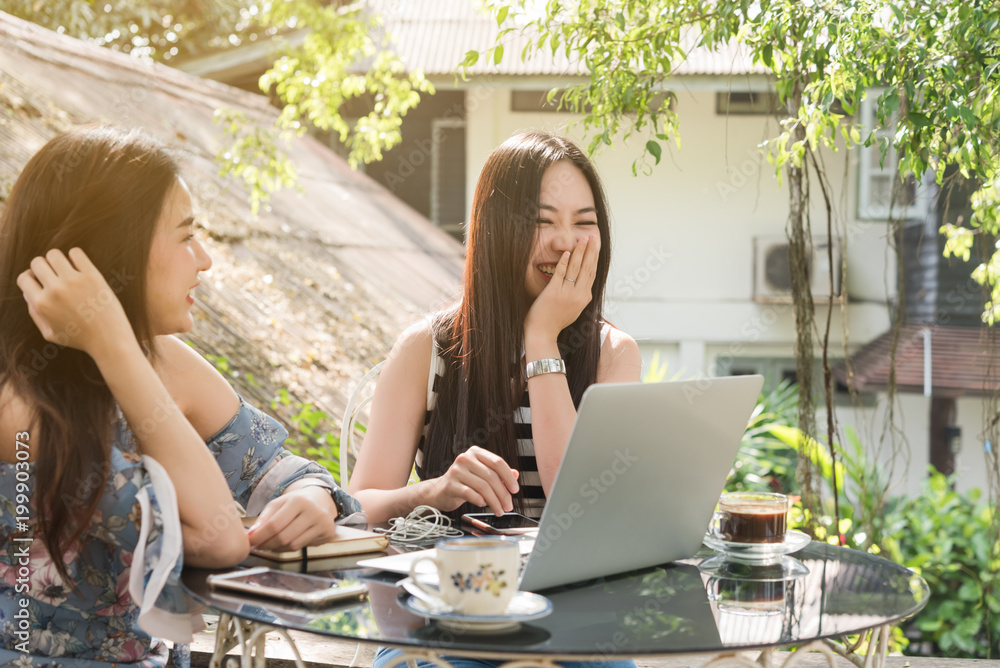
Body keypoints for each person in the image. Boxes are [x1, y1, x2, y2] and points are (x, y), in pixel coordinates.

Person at [0, 124, 359, 668]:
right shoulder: (19, 404)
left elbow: (283, 470)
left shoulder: (164, 360)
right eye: (185, 235)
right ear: (112, 250)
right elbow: (215, 539)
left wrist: (312, 499)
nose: (205, 259)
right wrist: (115, 343)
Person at [348, 131, 642, 668]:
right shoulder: (428, 349)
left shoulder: (612, 354)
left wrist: (541, 341)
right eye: (541, 221)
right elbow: (355, 511)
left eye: (584, 223)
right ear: (494, 229)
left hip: (574, 627)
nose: (564, 242)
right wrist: (430, 492)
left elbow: (581, 504)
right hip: (446, 618)